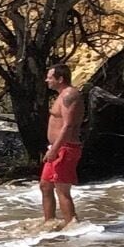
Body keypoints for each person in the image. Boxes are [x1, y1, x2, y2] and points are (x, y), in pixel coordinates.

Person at [38, 59, 85, 231]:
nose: (46, 80)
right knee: (45, 185)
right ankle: (49, 223)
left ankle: (72, 227)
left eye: (49, 77)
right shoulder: (61, 95)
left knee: (62, 190)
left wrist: (55, 149)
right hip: (57, 148)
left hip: (65, 148)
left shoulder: (69, 95)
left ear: (60, 79)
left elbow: (68, 125)